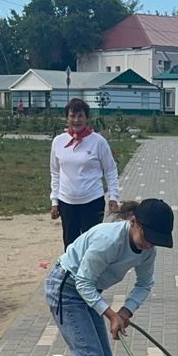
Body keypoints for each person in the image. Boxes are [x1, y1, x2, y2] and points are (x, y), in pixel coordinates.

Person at [45, 198, 175, 356]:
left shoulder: (148, 250)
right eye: (148, 236)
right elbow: (82, 281)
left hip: (89, 292)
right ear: (133, 222)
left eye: (156, 239)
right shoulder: (108, 240)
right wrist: (110, 313)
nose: (150, 243)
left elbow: (145, 284)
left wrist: (125, 312)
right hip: (66, 288)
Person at [49, 98, 120, 247]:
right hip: (67, 203)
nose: (76, 120)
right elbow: (55, 173)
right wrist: (55, 201)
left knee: (92, 245)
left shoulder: (98, 142)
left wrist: (113, 196)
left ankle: (92, 271)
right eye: (72, 116)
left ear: (86, 118)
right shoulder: (58, 142)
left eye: (80, 116)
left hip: (92, 202)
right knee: (70, 246)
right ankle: (72, 271)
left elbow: (111, 170)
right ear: (67, 118)